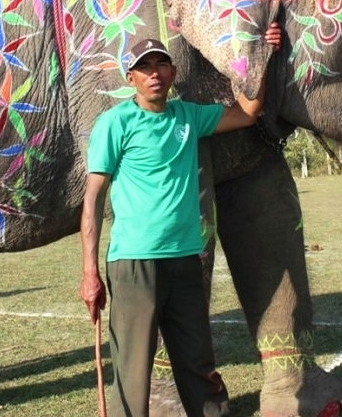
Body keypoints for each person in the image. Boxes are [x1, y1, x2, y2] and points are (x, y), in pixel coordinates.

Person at [80, 24, 281, 417]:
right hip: (134, 262)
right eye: (144, 67)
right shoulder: (115, 123)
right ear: (131, 78)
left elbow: (248, 113)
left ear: (173, 74)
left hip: (187, 259)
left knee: (197, 362)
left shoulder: (188, 116)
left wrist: (265, 56)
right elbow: (92, 199)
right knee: (132, 370)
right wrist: (89, 272)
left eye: (161, 65)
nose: (154, 73)